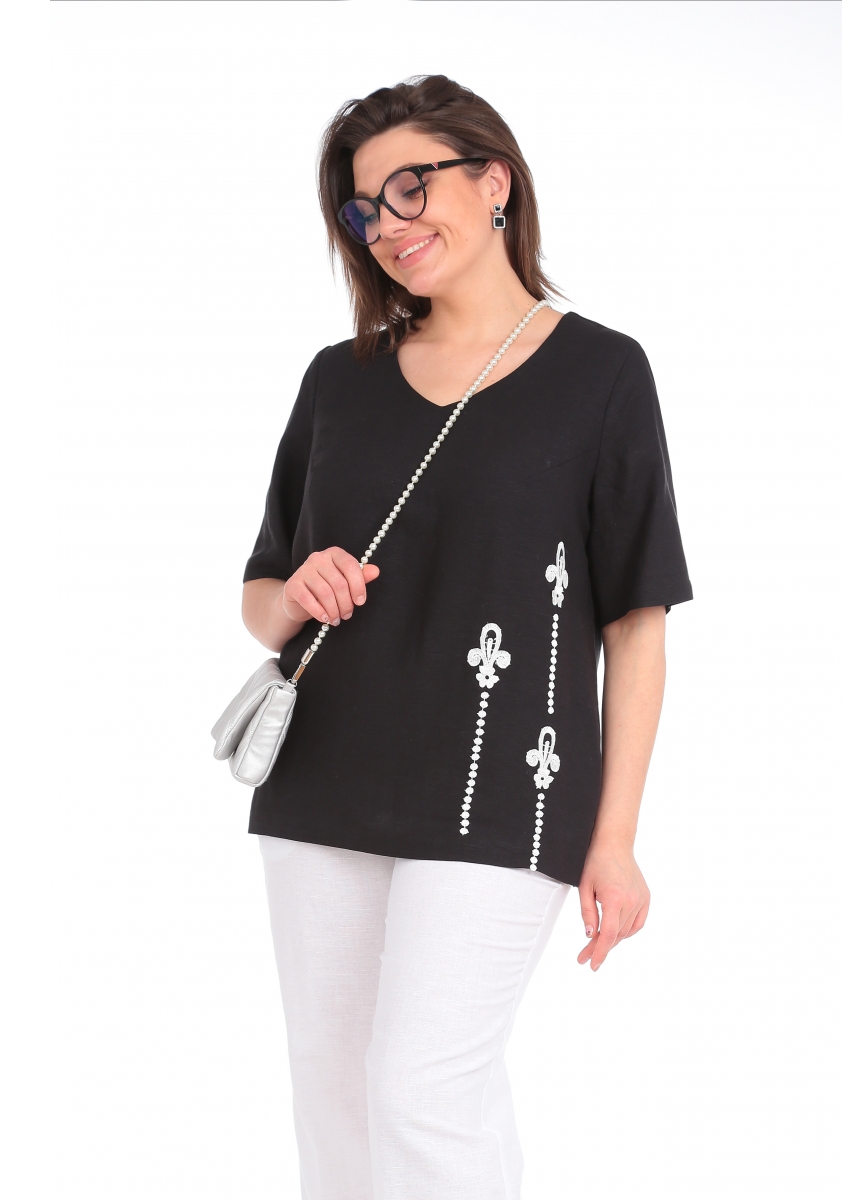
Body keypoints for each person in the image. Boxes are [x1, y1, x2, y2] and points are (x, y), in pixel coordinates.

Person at [239, 74, 693, 1200]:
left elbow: (636, 623)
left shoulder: (603, 373)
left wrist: (616, 838)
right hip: (324, 780)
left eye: (411, 187)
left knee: (423, 1094)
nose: (387, 226)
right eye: (363, 210)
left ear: (494, 181)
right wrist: (299, 589)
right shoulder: (338, 380)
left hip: (507, 785)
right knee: (335, 1098)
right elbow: (260, 596)